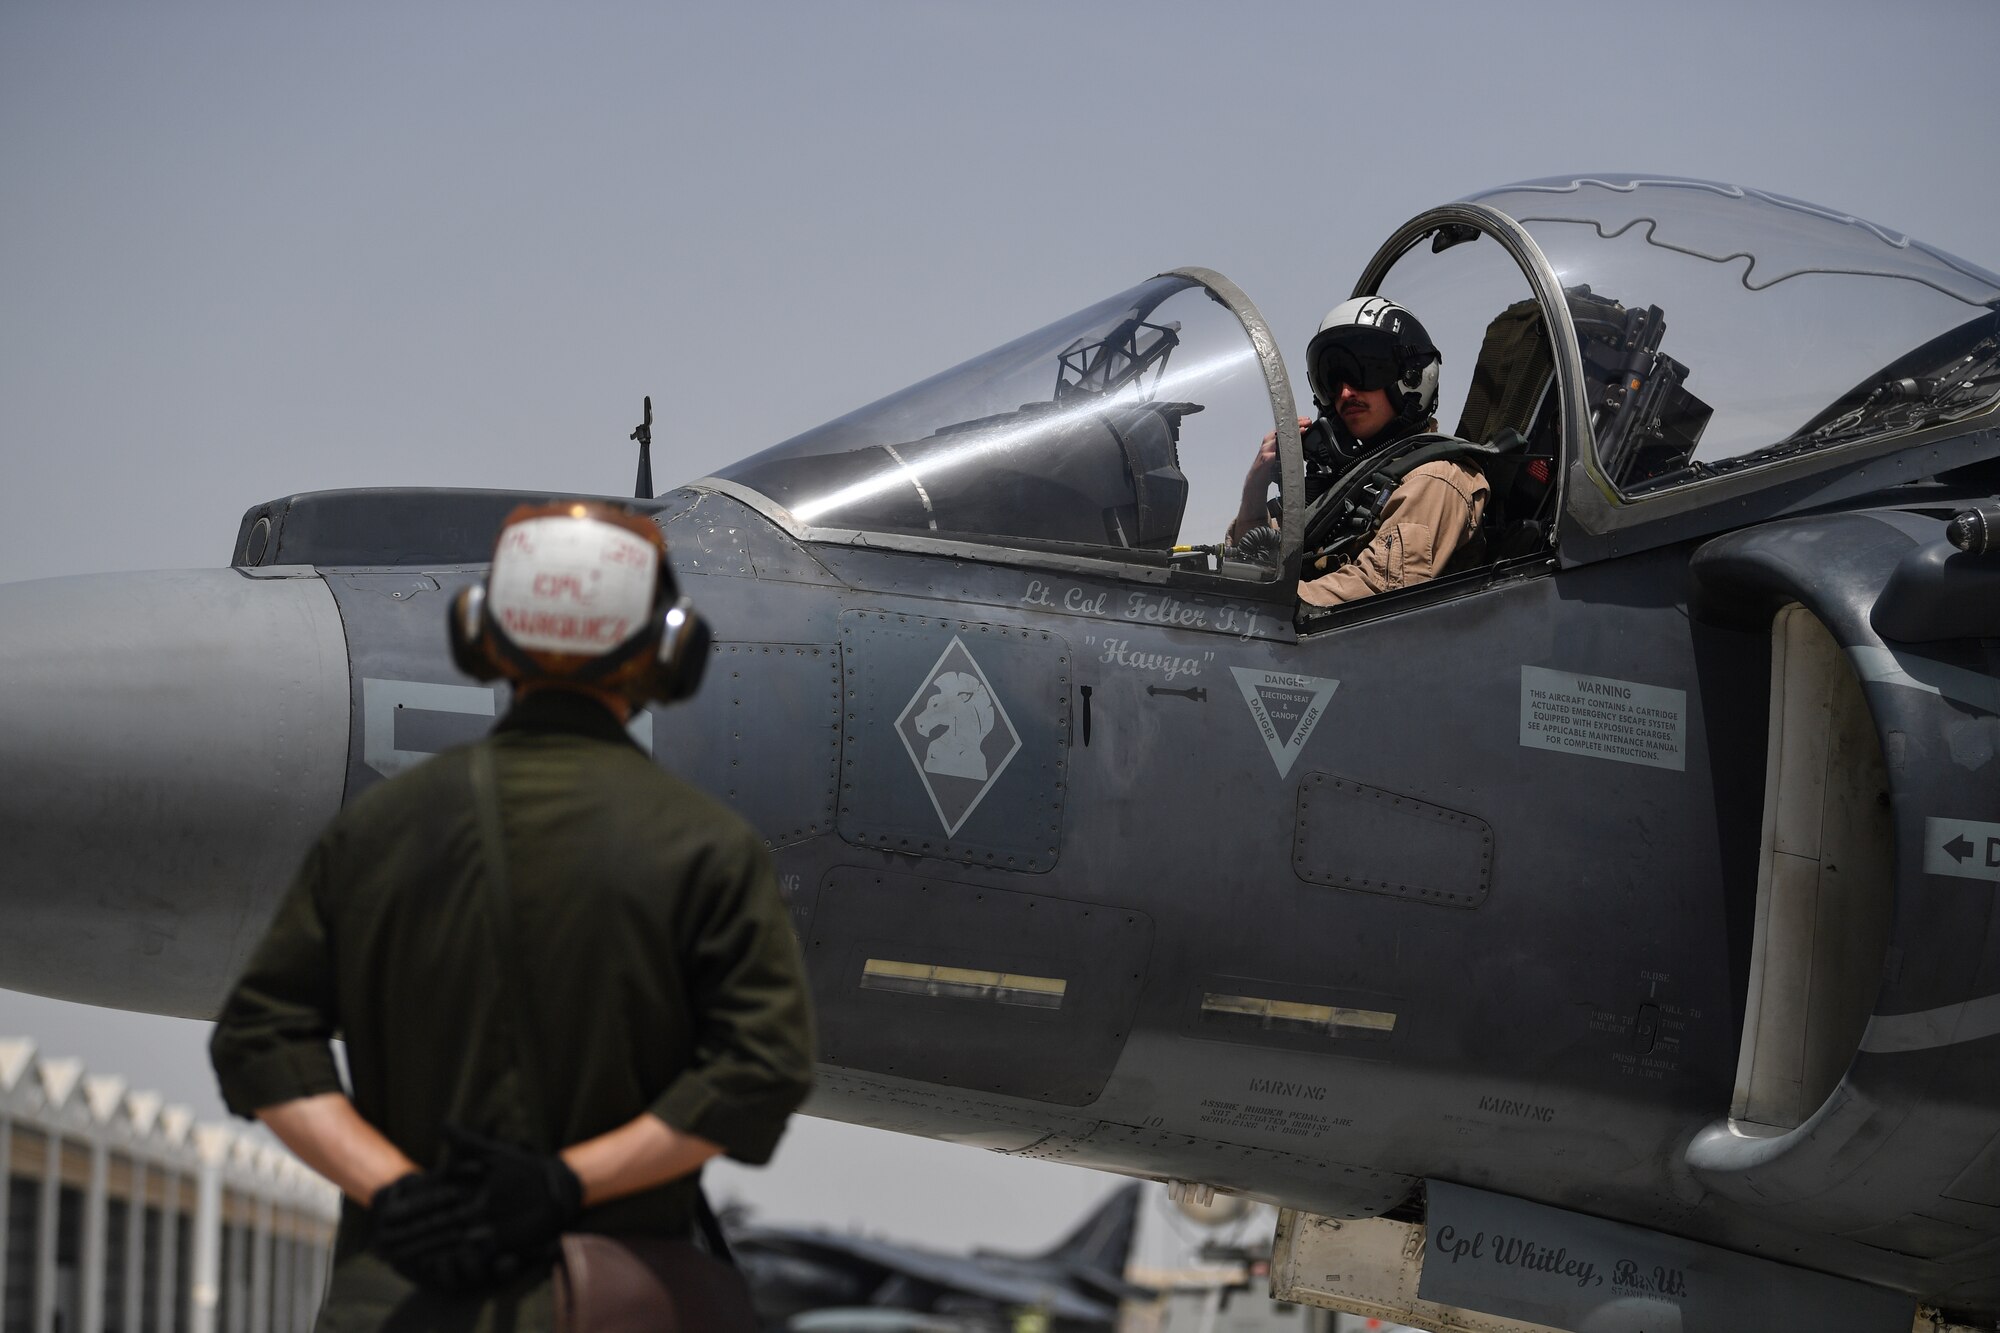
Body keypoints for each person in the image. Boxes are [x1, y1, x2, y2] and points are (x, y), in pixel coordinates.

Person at [209, 500, 815, 1329]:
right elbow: (760, 1071)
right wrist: (565, 1184)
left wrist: (399, 1191)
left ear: (480, 633)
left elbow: (260, 1040)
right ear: (667, 649)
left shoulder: (376, 834)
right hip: (608, 1304)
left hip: (401, 1307)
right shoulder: (710, 851)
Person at [1228, 297, 1489, 605]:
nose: (1345, 393)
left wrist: (1259, 599)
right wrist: (1254, 491)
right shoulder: (1348, 486)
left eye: (1365, 371)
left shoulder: (1435, 480)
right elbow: (1255, 556)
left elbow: (1377, 592)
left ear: (1411, 376)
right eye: (1332, 380)